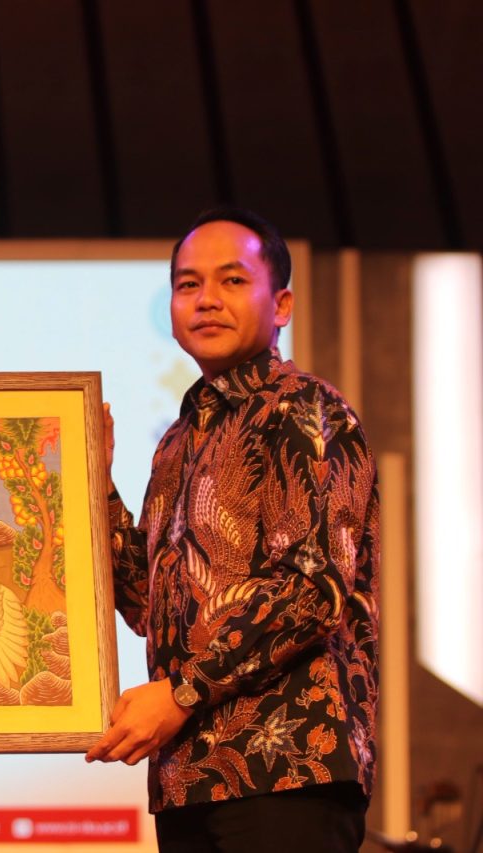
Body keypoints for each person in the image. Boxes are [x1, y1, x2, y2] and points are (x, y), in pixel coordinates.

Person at [85, 207, 379, 852]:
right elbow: (150, 607)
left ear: (282, 305)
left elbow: (312, 589)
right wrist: (93, 483)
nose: (206, 299)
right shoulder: (178, 440)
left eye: (233, 281)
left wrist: (181, 693)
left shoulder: (305, 409)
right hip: (188, 778)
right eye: (188, 284)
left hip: (286, 769)